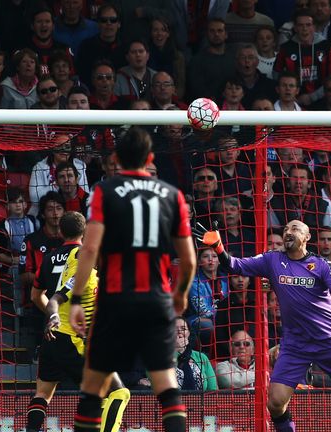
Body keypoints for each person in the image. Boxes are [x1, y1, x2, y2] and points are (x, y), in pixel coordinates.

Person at [196, 219, 331, 431]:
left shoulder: (322, 265)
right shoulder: (272, 260)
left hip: (329, 340)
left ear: (307, 237)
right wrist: (218, 247)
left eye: (294, 228)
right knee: (275, 403)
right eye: (286, 228)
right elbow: (235, 265)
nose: (288, 232)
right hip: (295, 345)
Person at [67, 126, 196, 432]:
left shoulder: (106, 191)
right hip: (157, 300)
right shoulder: (173, 195)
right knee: (166, 386)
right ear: (150, 157)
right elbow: (189, 258)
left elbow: (90, 249)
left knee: (93, 386)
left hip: (115, 301)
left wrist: (75, 299)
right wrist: (180, 293)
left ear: (116, 159)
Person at [27, 212, 130, 432]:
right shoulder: (82, 258)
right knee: (117, 392)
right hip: (74, 338)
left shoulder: (49, 258)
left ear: (61, 232)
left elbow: (36, 296)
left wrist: (52, 317)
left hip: (51, 338)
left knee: (43, 393)